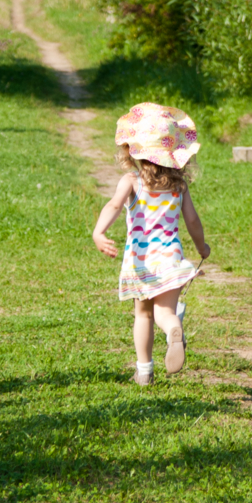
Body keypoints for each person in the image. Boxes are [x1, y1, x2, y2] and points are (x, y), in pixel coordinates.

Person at [91, 103, 210, 385]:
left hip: (140, 261)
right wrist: (202, 247)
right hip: (170, 259)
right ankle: (172, 332)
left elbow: (114, 205)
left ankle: (144, 371)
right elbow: (192, 221)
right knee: (165, 313)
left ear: (134, 150)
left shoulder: (132, 182)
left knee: (143, 314)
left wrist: (99, 232)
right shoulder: (179, 186)